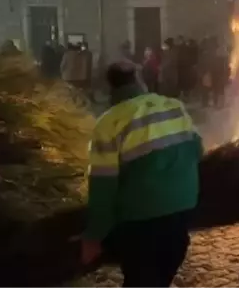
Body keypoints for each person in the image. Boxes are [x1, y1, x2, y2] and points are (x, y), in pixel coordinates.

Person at [82, 61, 202, 287]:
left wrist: (94, 236)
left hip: (140, 221)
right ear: (139, 80)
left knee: (142, 278)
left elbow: (102, 187)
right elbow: (198, 150)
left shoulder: (108, 123)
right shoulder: (174, 105)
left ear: (110, 87)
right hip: (183, 211)